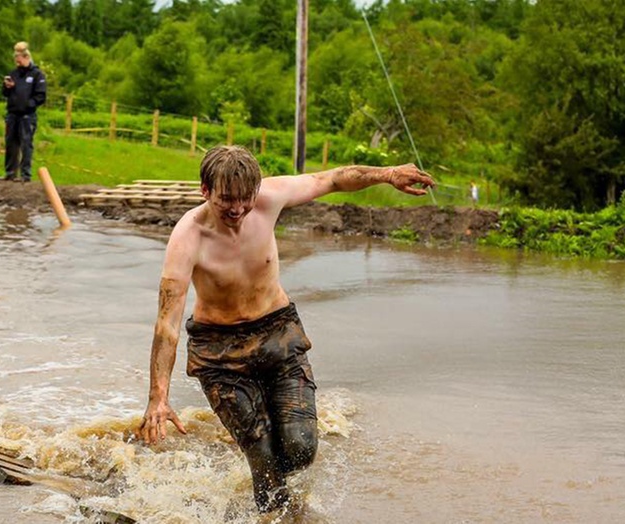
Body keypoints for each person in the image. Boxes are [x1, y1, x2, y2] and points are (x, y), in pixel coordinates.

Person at [137, 146, 435, 513]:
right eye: (226, 200)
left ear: (256, 191)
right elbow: (167, 323)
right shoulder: (188, 237)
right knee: (262, 458)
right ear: (205, 191)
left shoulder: (268, 199)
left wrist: (387, 173)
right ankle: (268, 506)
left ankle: (266, 502)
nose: (236, 210)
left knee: (300, 447)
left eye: (244, 200)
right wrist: (158, 396)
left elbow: (331, 179)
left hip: (278, 336)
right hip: (220, 353)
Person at [2, 41, 46, 182]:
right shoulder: (13, 73)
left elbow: (41, 96)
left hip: (27, 115)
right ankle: (10, 172)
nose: (17, 63)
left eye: (19, 60)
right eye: (16, 60)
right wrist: (7, 87)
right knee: (10, 143)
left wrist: (28, 104)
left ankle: (25, 174)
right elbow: (5, 93)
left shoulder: (37, 75)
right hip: (12, 114)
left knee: (26, 143)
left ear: (26, 58)